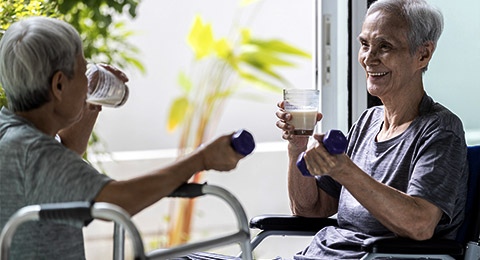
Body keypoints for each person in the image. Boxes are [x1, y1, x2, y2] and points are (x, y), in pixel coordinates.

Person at [0, 16, 247, 259]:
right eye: (82, 72)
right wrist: (201, 159)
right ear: (59, 86)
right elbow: (119, 202)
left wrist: (89, 102)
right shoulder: (33, 153)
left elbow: (62, 162)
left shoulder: (13, 134)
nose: (87, 83)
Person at [276, 0, 468, 259]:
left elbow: (420, 225)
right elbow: (310, 209)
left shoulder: (441, 131)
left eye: (384, 46)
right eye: (365, 44)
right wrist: (297, 145)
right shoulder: (368, 122)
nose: (368, 58)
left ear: (423, 54)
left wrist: (345, 170)